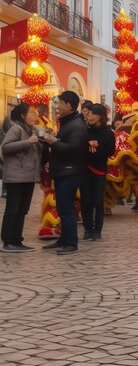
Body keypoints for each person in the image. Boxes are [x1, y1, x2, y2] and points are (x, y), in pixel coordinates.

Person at [41, 91, 89, 255]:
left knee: (67, 209)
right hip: (63, 171)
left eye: (60, 103)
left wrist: (53, 142)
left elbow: (73, 150)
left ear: (69, 105)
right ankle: (63, 240)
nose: (57, 107)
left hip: (70, 172)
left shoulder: (77, 125)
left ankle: (71, 243)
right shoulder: (69, 123)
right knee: (62, 207)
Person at [0, 103, 42, 252]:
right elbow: (5, 147)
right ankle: (8, 241)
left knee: (23, 209)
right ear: (22, 115)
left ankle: (17, 240)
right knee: (13, 209)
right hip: (16, 176)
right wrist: (27, 142)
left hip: (28, 176)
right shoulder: (16, 128)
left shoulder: (30, 130)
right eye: (31, 113)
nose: (34, 116)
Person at [80, 103, 116, 240]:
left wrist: (98, 147)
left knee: (97, 200)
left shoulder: (107, 132)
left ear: (100, 116)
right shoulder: (85, 130)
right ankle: (87, 228)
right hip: (85, 168)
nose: (89, 116)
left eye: (92, 113)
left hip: (99, 169)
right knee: (86, 199)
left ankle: (97, 229)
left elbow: (111, 151)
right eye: (88, 113)